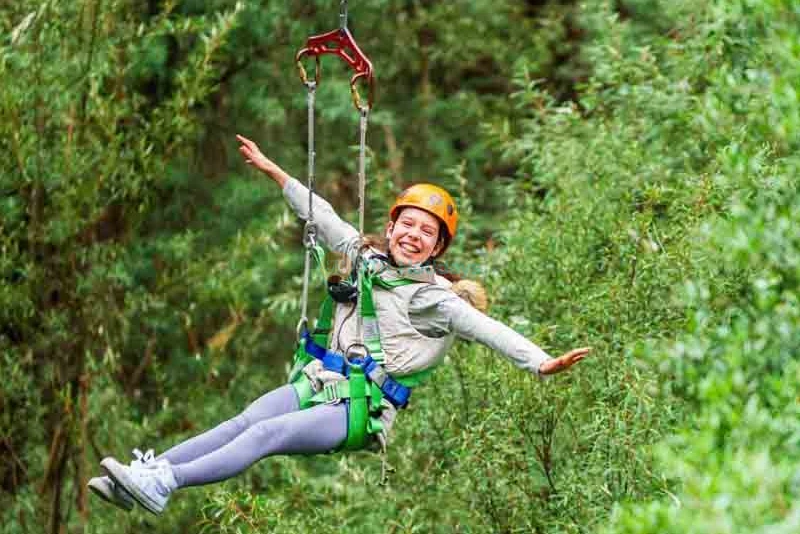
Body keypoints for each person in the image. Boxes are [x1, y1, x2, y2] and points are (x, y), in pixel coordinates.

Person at [90, 134, 591, 516]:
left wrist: (541, 362)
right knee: (243, 421)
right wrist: (274, 173)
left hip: (359, 408)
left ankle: (163, 483)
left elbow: (487, 329)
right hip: (319, 382)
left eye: (427, 232)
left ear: (438, 249)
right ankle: (144, 475)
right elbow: (323, 215)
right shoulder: (366, 256)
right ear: (391, 227)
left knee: (265, 435)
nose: (414, 236)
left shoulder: (433, 300)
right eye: (407, 225)